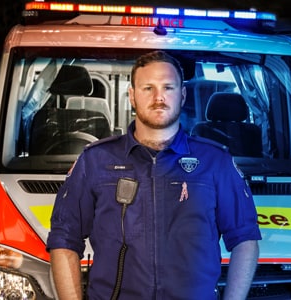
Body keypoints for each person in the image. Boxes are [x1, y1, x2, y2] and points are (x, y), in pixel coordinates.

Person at [46, 50, 262, 300]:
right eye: (148, 88)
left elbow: (245, 239)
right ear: (132, 96)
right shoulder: (95, 161)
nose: (159, 97)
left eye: (168, 87)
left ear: (182, 95)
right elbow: (64, 238)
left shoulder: (215, 162)